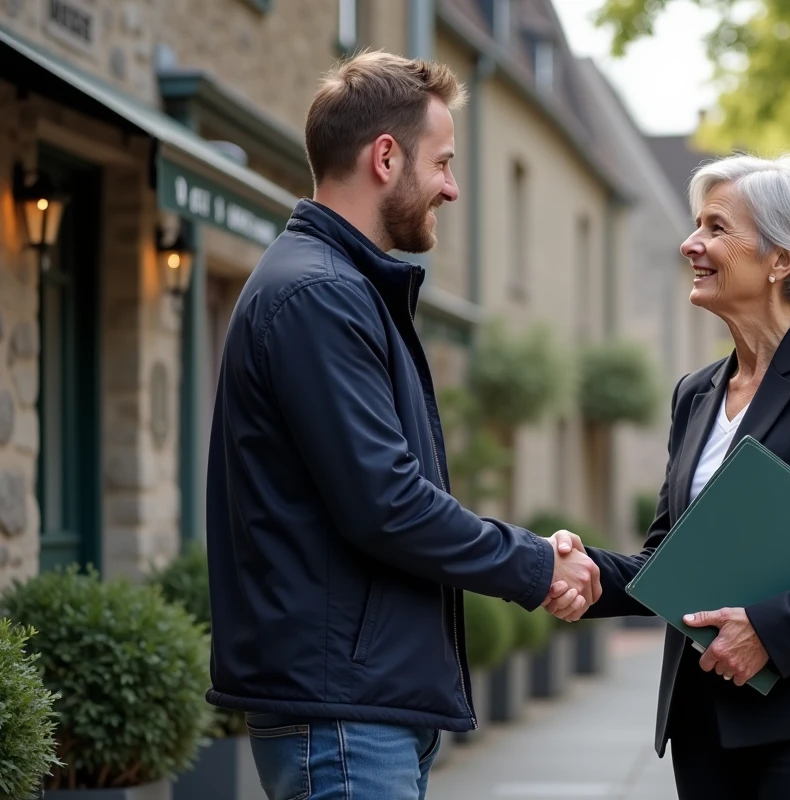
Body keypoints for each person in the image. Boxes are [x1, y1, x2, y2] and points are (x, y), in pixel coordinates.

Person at [205, 52, 600, 800]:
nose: (452, 188)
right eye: (443, 163)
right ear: (385, 157)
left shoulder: (335, 288)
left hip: (355, 705)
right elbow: (387, 503)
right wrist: (536, 565)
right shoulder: (319, 296)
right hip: (343, 717)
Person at [543, 153, 790, 799]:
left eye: (716, 228)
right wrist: (580, 574)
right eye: (697, 224)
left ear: (783, 260)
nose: (690, 243)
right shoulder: (694, 395)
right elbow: (668, 561)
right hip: (704, 728)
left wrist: (773, 631)